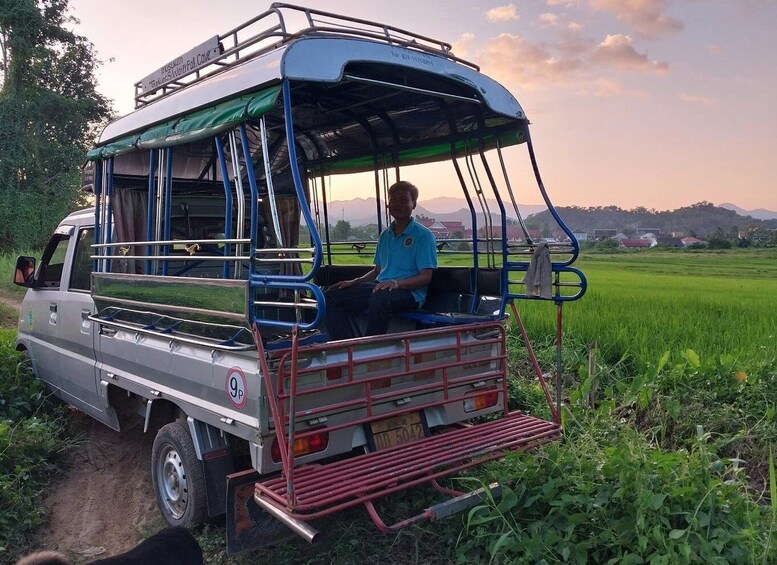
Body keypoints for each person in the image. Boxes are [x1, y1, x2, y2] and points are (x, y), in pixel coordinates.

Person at [323, 181, 437, 340]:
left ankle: (371, 347)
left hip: (409, 293)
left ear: (414, 204)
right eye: (393, 200)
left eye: (404, 200)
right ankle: (345, 345)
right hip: (381, 287)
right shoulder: (385, 236)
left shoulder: (423, 236)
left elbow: (426, 277)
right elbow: (377, 271)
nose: (398, 204)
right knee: (330, 296)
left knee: (379, 299)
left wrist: (396, 283)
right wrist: (355, 282)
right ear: (388, 205)